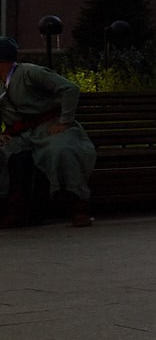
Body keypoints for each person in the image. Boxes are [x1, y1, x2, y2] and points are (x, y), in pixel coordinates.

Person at [0, 38, 96, 229]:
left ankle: (78, 206)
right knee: (5, 153)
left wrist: (65, 121)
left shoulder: (29, 72)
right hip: (20, 134)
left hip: (49, 126)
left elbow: (69, 88)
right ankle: (15, 210)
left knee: (61, 150)